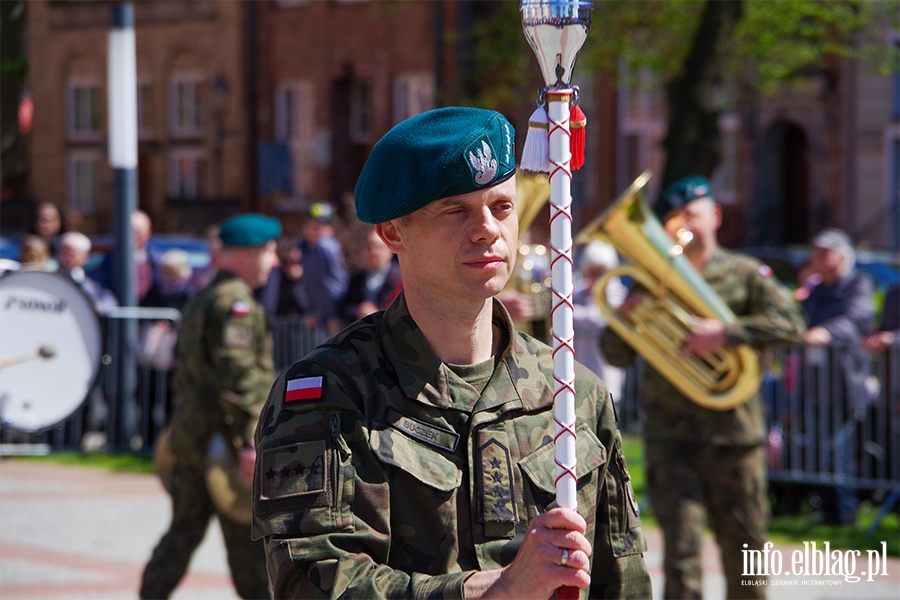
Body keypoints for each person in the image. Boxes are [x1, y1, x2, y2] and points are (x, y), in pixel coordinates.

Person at [252, 107, 651, 599]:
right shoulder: (327, 395)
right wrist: (491, 593)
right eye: (454, 211)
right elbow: (311, 584)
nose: (487, 229)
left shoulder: (572, 390)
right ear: (393, 233)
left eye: (502, 207)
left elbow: (623, 579)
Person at [601, 175, 805, 599]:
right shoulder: (649, 276)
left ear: (715, 216)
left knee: (746, 550)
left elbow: (791, 324)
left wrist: (727, 333)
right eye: (674, 219)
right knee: (680, 554)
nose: (684, 225)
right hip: (671, 437)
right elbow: (616, 355)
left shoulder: (745, 273)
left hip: (734, 434)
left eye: (692, 215)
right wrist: (624, 316)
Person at [140, 213, 280, 600]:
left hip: (192, 436)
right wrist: (251, 440)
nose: (274, 261)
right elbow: (237, 377)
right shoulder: (235, 304)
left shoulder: (204, 296)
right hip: (224, 445)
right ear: (248, 254)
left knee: (183, 533)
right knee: (249, 543)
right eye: (269, 252)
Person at [801, 228, 874, 526]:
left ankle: (845, 514)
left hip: (844, 382)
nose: (816, 259)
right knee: (819, 449)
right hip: (816, 382)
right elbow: (800, 318)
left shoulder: (859, 284)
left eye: (824, 253)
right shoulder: (816, 289)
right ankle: (827, 510)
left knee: (838, 451)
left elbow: (858, 320)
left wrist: (826, 332)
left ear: (841, 257)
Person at [573, 240, 626, 403]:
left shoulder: (617, 292)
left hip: (605, 374)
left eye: (600, 273)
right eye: (591, 272)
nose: (595, 278)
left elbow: (597, 319)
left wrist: (563, 313)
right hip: (580, 371)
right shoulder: (580, 290)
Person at [298, 202, 348, 334]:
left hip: (332, 314)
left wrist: (332, 314)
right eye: (311, 226)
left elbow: (335, 283)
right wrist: (312, 310)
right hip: (318, 314)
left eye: (320, 226)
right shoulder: (306, 248)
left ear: (331, 229)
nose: (314, 230)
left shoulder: (325, 247)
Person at [338, 226, 402, 324]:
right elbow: (344, 309)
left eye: (379, 247)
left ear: (390, 250)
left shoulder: (400, 279)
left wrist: (377, 313)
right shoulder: (356, 280)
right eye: (369, 247)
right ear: (362, 251)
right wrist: (358, 311)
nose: (374, 252)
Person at [56, 232, 119, 315]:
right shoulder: (51, 277)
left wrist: (96, 307)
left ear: (85, 256)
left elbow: (110, 301)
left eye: (71, 253)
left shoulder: (94, 279)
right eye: (63, 252)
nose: (66, 257)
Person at [255, 238, 309, 318]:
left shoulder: (306, 281)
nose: (296, 266)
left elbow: (304, 305)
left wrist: (296, 281)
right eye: (291, 262)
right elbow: (269, 304)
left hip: (303, 327)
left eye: (299, 262)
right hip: (277, 325)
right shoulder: (274, 279)